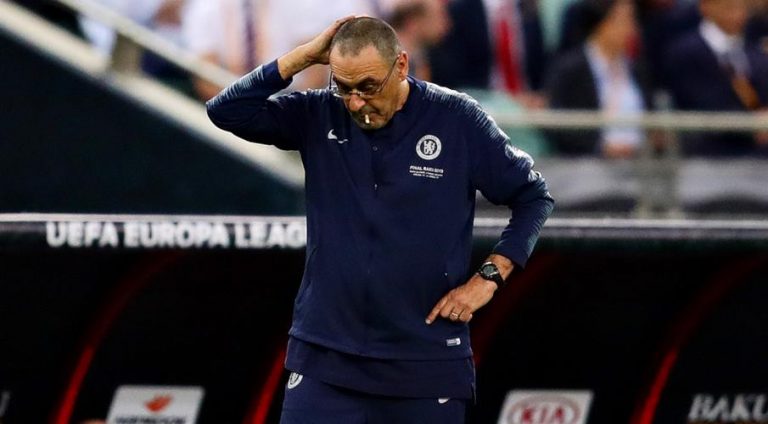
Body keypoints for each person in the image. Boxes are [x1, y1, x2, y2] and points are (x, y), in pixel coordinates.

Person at [207, 16, 553, 423]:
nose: (356, 102)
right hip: (326, 359)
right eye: (344, 86)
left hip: (425, 362)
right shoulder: (319, 112)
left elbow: (533, 196)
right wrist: (302, 57)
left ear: (401, 65)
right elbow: (226, 111)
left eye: (368, 87)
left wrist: (489, 278)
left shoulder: (456, 118)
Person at [545, 0, 653, 158]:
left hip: (638, 162)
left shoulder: (637, 69)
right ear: (601, 23)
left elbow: (651, 115)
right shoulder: (569, 70)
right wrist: (601, 147)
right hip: (584, 164)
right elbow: (558, 123)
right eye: (623, 20)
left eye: (633, 20)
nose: (631, 29)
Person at [663, 0, 768, 156]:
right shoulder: (685, 52)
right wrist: (751, 124)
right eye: (729, 8)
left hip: (759, 155)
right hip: (709, 154)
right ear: (705, 7)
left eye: (743, 8)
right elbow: (700, 104)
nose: (738, 15)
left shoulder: (755, 51)